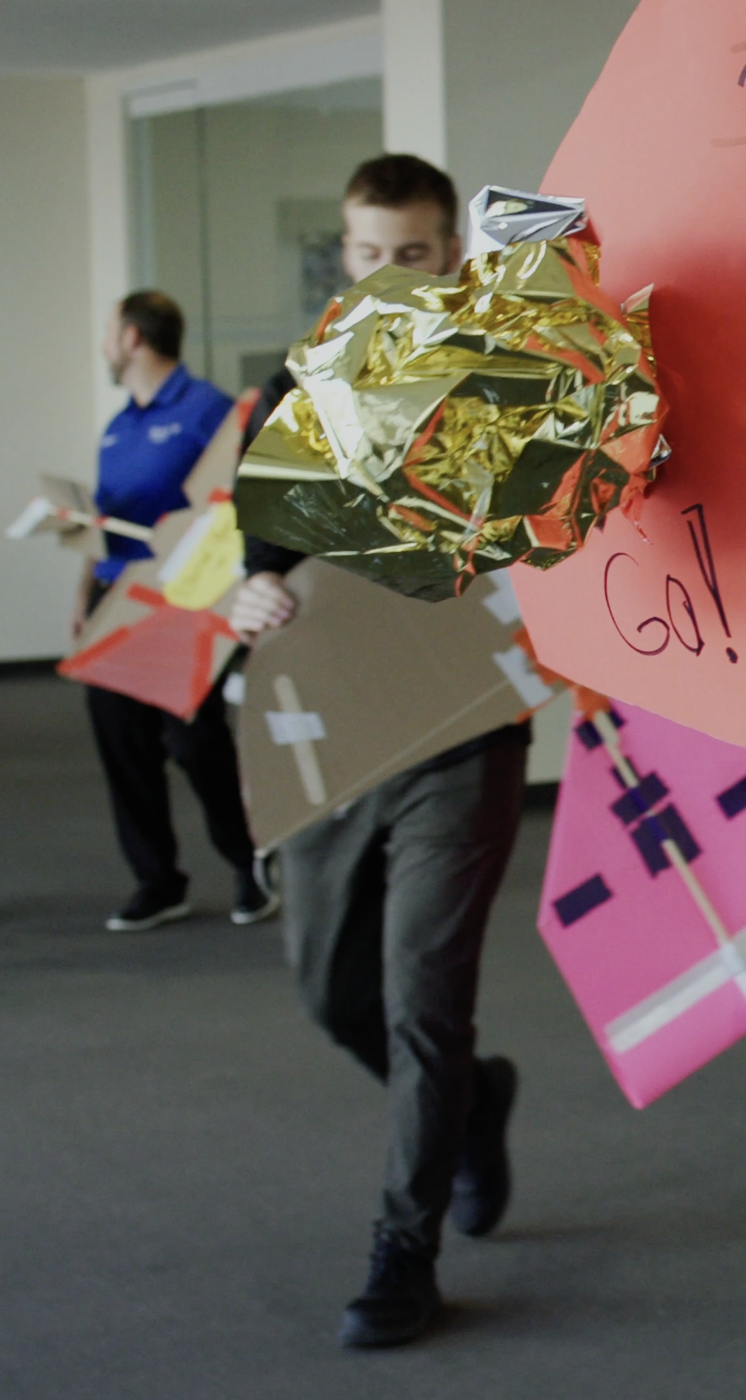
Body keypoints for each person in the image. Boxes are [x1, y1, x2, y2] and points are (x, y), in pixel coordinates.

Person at [227, 153, 526, 1351]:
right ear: (342, 256)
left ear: (448, 256)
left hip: (459, 734)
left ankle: (403, 1251)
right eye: (367, 251)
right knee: (326, 992)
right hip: (331, 736)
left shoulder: (502, 386)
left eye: (413, 252)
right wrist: (249, 598)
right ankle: (474, 1107)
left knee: (421, 1002)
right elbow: (257, 557)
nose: (388, 271)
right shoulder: (290, 395)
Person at [81, 290, 270, 932]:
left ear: (133, 337)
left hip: (185, 600)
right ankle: (158, 881)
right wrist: (85, 601)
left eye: (110, 332)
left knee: (196, 744)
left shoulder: (206, 409)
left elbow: (238, 500)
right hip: (118, 599)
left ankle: (251, 867)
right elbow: (105, 520)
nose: (106, 344)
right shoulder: (117, 424)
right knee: (122, 744)